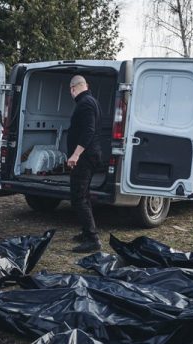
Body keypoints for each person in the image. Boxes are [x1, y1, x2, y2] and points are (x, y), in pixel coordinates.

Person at [67, 75, 103, 253]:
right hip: (90, 156)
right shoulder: (91, 101)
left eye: (71, 91)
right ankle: (86, 232)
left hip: (85, 158)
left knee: (78, 197)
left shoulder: (85, 103)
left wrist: (75, 154)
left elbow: (89, 131)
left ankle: (92, 239)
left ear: (73, 89)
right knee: (84, 195)